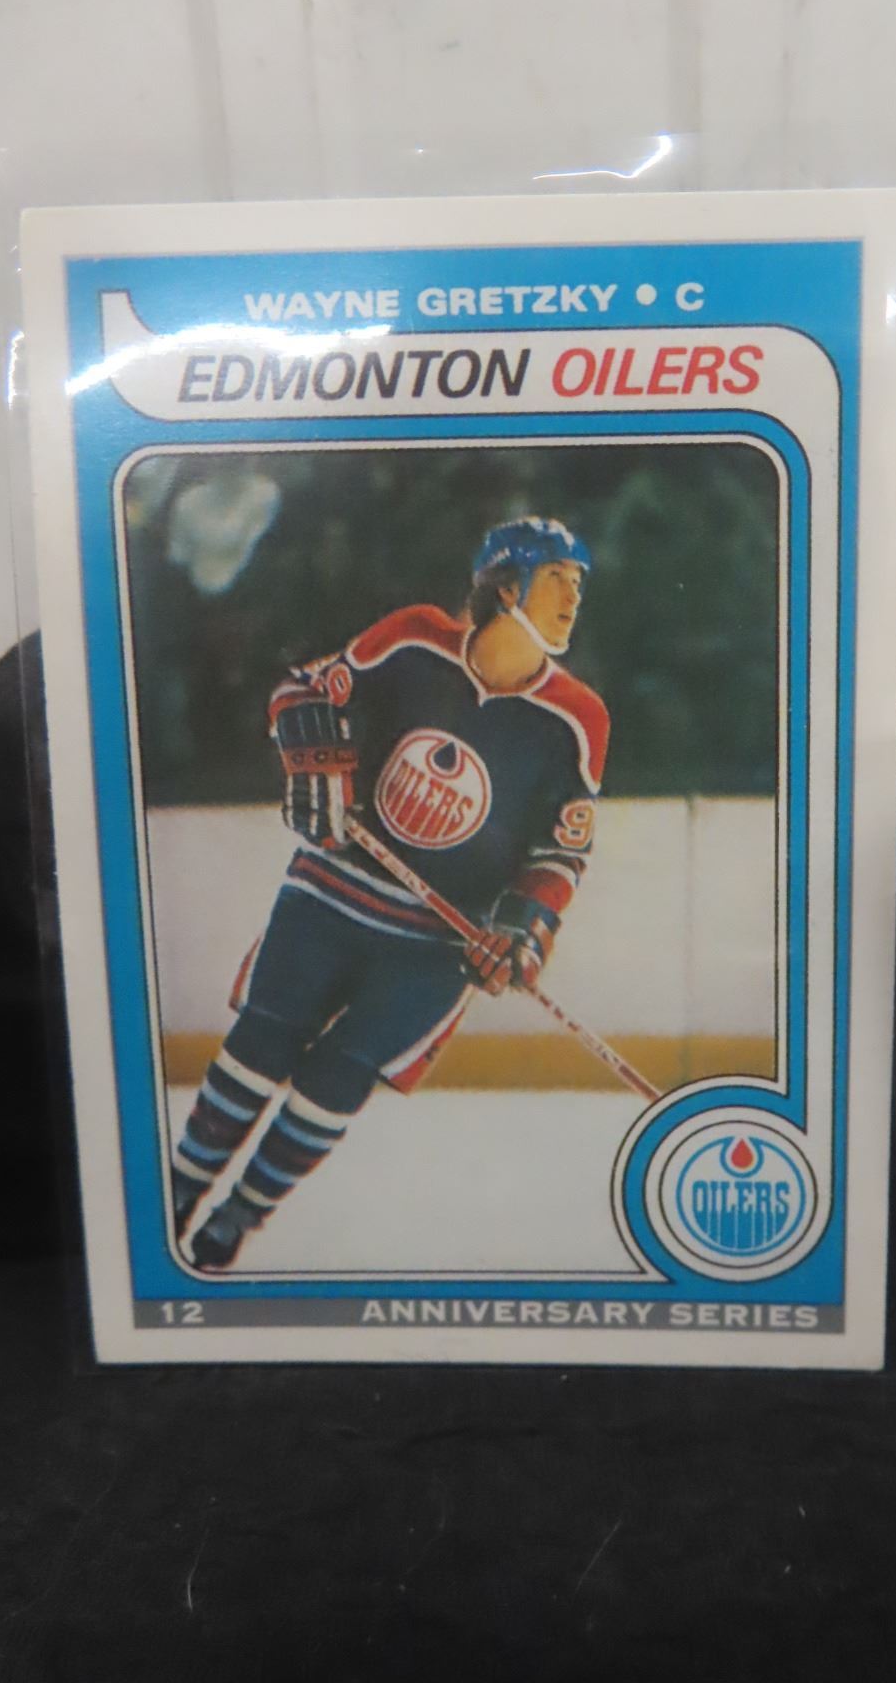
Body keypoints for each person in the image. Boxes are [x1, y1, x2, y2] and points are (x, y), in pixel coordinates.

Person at [170, 516, 608, 1270]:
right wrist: (309, 748)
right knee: (264, 1038)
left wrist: (522, 927)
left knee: (340, 1076)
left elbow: (561, 851)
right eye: (557, 581)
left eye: (579, 586)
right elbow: (306, 688)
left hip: (438, 944)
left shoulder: (578, 719)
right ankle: (177, 1189)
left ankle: (238, 1216)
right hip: (332, 891)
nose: (573, 600)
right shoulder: (414, 638)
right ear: (508, 588)